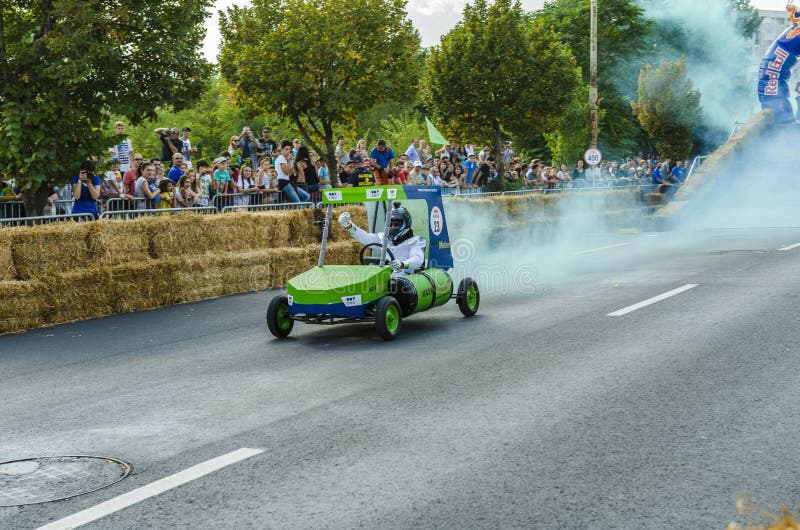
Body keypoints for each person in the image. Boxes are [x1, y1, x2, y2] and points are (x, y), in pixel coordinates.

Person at [338, 203, 426, 276]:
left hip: (407, 279)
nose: (392, 227)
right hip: (387, 279)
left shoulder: (416, 241)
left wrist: (402, 264)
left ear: (406, 224)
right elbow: (366, 238)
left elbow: (417, 259)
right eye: (390, 224)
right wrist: (349, 226)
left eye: (396, 224)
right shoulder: (385, 238)